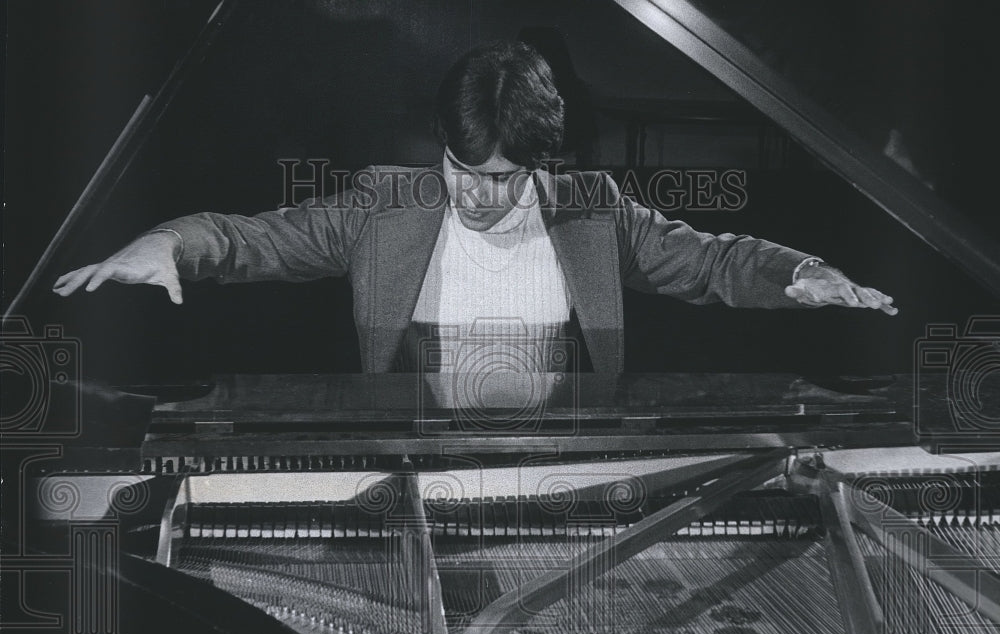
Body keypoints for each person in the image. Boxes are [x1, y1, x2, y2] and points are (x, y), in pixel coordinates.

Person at [53, 41, 896, 375]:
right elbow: (250, 238)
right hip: (416, 472)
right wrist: (169, 243)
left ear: (546, 163)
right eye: (464, 170)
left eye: (506, 179)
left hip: (562, 474)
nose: (480, 197)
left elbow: (711, 261)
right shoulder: (387, 203)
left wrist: (802, 272)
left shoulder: (589, 209)